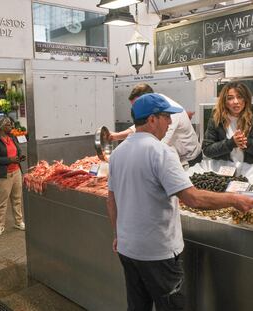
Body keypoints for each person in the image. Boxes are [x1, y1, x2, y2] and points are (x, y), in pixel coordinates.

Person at [107, 93, 253, 311]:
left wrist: (119, 235)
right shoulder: (162, 152)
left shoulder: (118, 153)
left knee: (138, 307)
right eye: (167, 117)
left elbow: (111, 200)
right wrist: (233, 199)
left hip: (128, 249)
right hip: (158, 253)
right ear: (152, 119)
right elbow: (192, 198)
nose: (170, 122)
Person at [110, 83, 202, 167]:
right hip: (175, 156)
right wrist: (115, 136)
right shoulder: (153, 107)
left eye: (138, 105)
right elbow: (140, 126)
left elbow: (159, 146)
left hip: (190, 160)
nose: (136, 110)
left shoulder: (169, 114)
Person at [0, 116, 25, 237]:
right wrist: (9, 160)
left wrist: (20, 156)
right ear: (1, 127)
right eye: (8, 124)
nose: (11, 126)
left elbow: (17, 150)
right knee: (2, 202)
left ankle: (18, 222)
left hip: (16, 172)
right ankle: (0, 225)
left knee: (17, 199)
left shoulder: (12, 137)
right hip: (3, 175)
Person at [202, 82, 253, 164]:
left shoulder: (251, 119)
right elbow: (207, 151)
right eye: (230, 98)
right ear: (224, 101)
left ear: (246, 99)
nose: (236, 101)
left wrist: (246, 143)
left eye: (240, 97)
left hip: (249, 171)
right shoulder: (216, 120)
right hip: (225, 172)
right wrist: (231, 143)